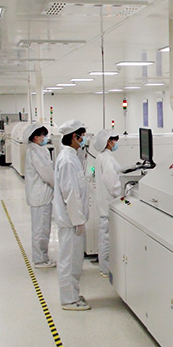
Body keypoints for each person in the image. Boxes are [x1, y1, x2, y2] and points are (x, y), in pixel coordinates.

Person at [53, 120, 91, 311]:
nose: (84, 139)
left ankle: (73, 294)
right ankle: (68, 300)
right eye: (82, 136)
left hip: (72, 220)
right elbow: (71, 194)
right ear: (74, 137)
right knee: (69, 261)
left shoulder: (71, 157)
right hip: (71, 222)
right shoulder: (68, 160)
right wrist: (78, 220)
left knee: (74, 261)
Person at [23, 123, 55, 268]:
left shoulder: (36, 150)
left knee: (41, 228)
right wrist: (59, 186)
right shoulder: (36, 152)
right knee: (41, 230)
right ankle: (40, 260)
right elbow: (47, 175)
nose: (46, 138)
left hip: (40, 195)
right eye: (44, 136)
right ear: (36, 137)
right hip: (40, 196)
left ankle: (42, 257)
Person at [92, 129, 123, 278]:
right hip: (108, 204)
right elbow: (113, 185)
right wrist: (123, 192)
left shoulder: (102, 157)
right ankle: (105, 268)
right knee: (106, 238)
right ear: (108, 142)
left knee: (105, 236)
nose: (115, 143)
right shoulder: (107, 159)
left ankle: (105, 266)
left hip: (104, 204)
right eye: (114, 140)